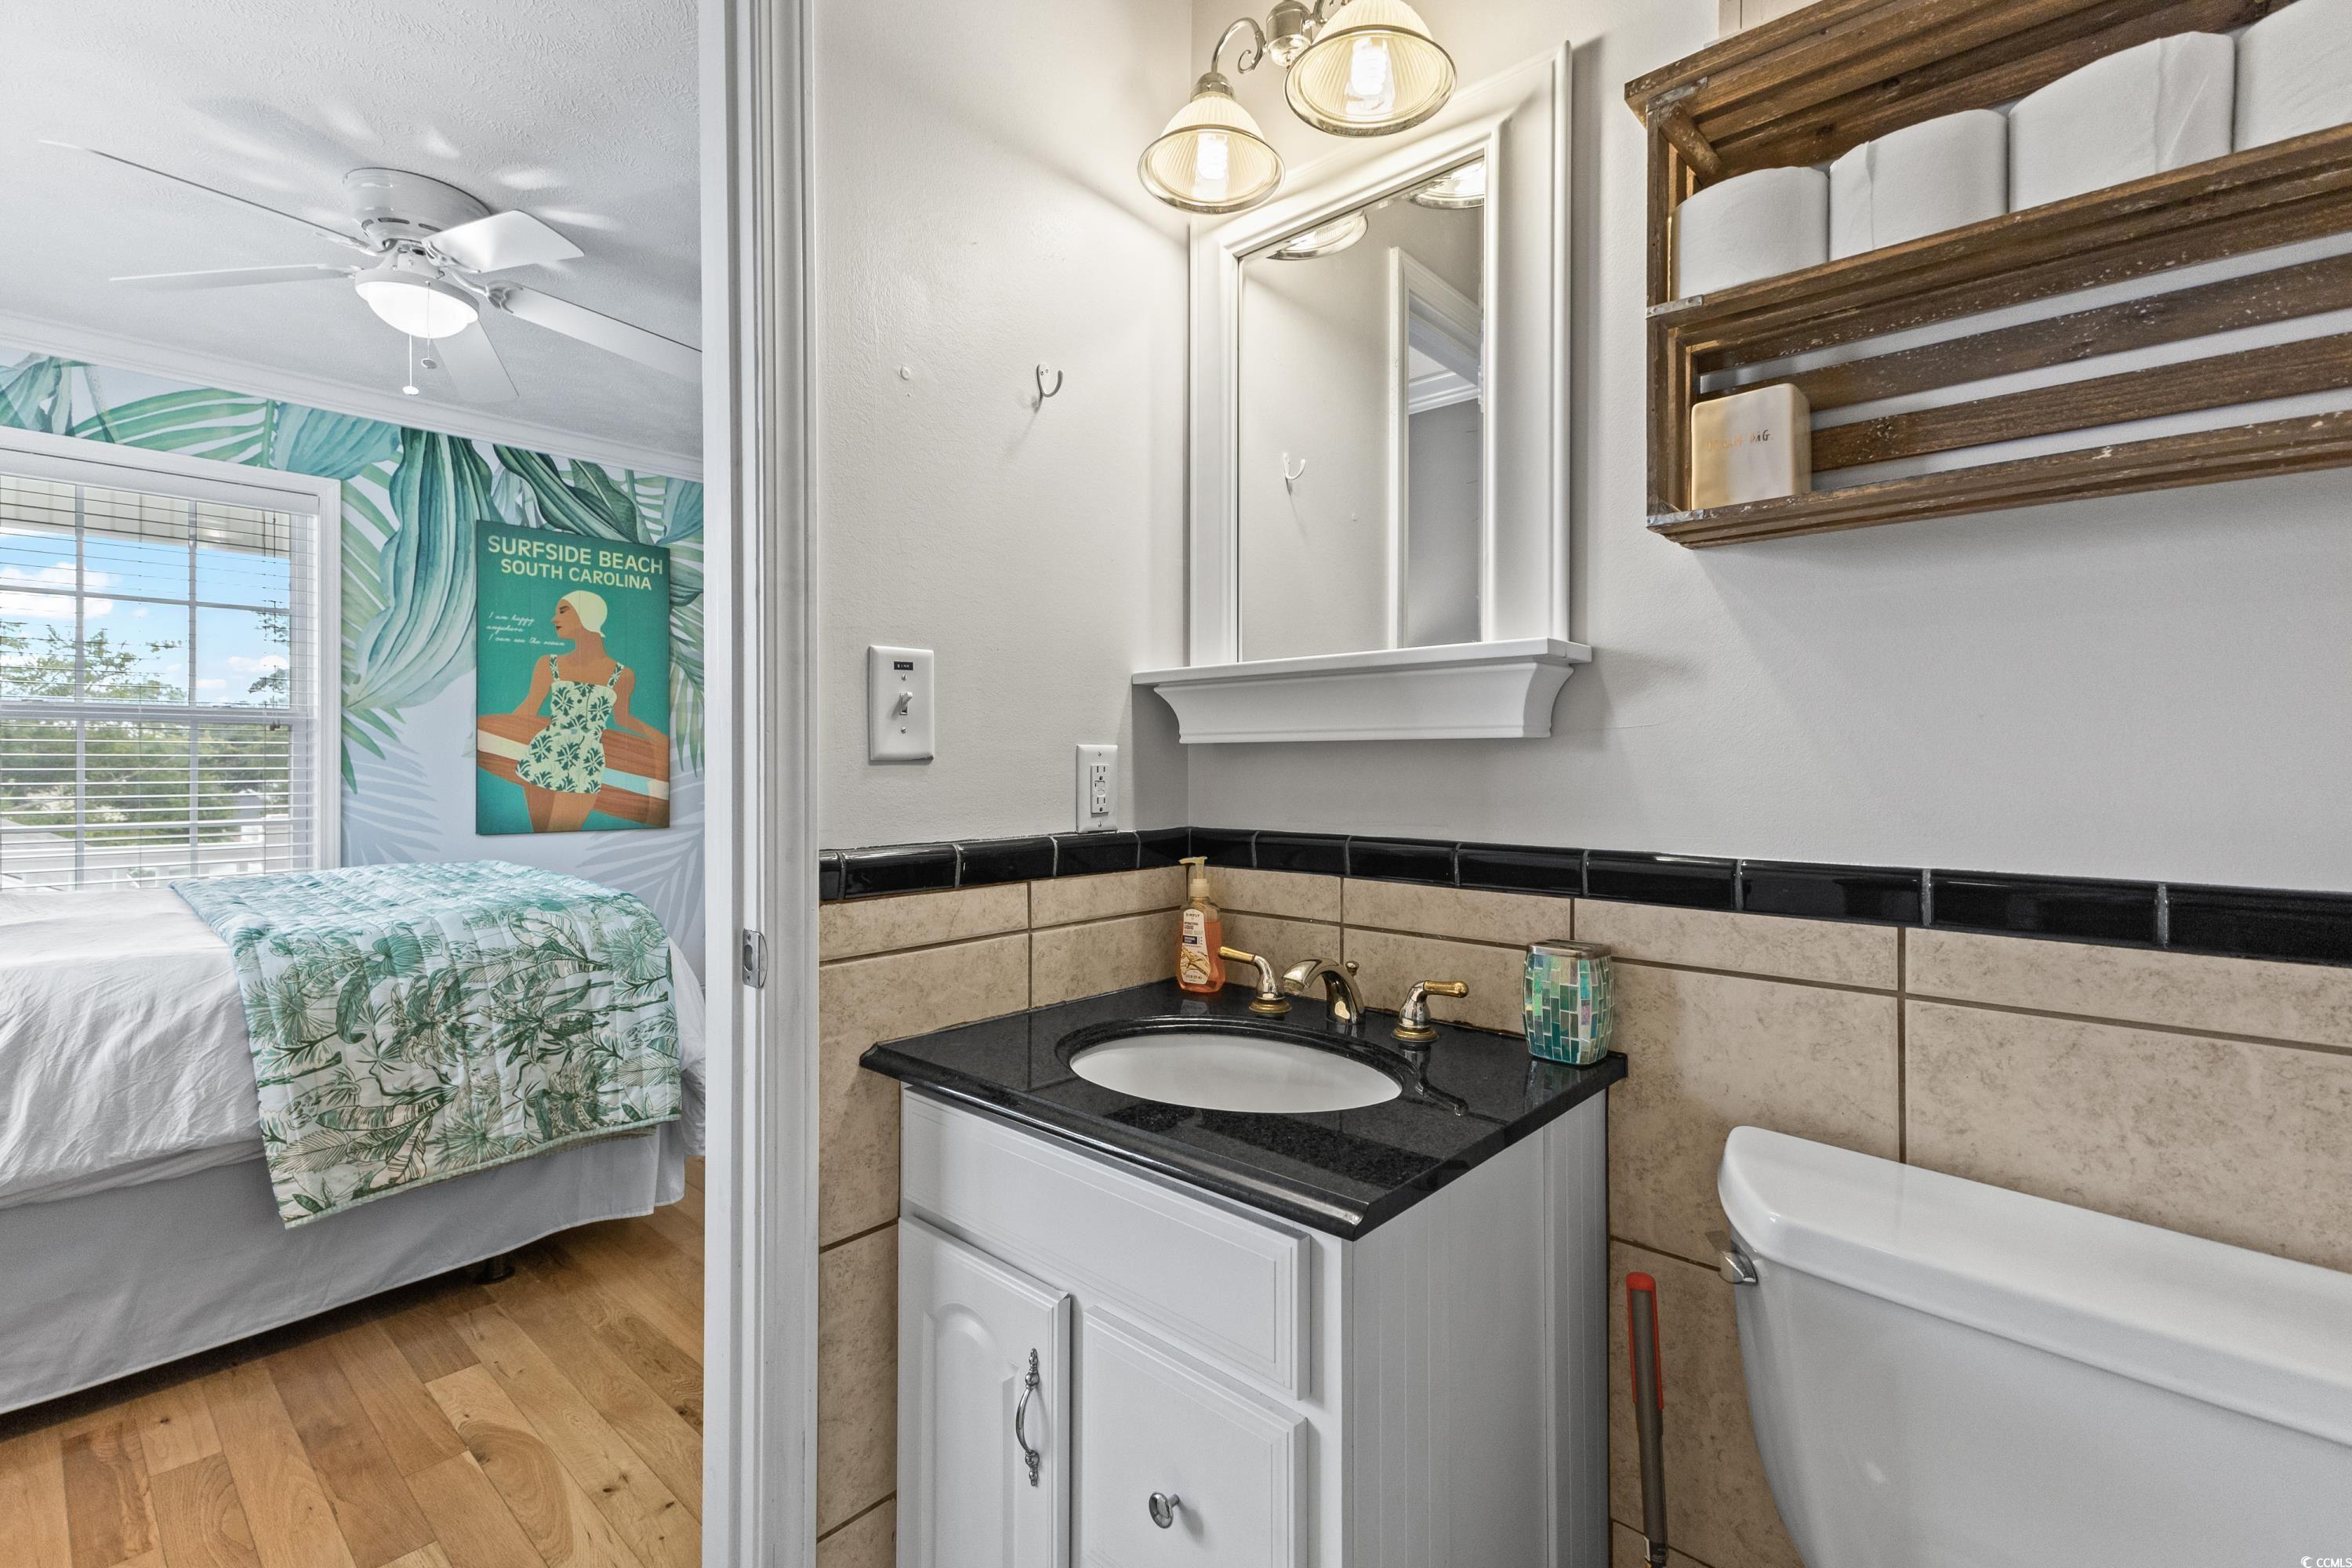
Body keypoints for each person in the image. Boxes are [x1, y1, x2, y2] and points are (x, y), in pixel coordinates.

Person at [511, 590, 663, 833]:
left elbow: (623, 719)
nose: (553, 619)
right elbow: (528, 708)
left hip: (585, 761)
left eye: (562, 611)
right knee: (541, 836)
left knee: (561, 835)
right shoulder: (547, 664)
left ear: (587, 615)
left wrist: (658, 738)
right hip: (543, 754)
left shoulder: (623, 675)